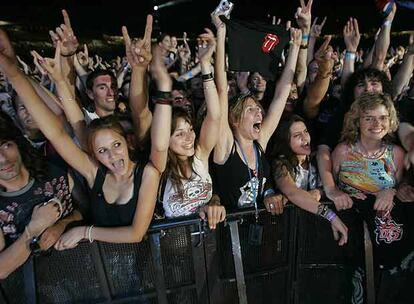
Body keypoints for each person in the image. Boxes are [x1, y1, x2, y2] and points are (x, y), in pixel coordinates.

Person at [0, 16, 169, 249]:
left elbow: (135, 233)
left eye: (116, 145)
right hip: (104, 274)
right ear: (94, 154)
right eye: (102, 151)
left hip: (147, 269)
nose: (112, 156)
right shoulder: (94, 174)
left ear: (127, 142)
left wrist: (84, 232)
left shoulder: (147, 173)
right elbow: (58, 133)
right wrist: (16, 74)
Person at [212, 14, 302, 212]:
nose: (259, 113)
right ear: (235, 120)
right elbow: (220, 90)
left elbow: (281, 95)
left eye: (258, 109)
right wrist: (221, 35)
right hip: (230, 235)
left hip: (261, 230)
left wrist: (295, 47)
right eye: (250, 110)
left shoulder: (259, 142)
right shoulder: (226, 146)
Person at [332, 92, 413, 269]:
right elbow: (331, 189)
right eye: (369, 118)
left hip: (389, 236)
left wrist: (390, 191)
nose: (377, 124)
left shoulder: (397, 154)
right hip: (350, 240)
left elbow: (401, 191)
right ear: (357, 120)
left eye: (383, 117)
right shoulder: (342, 152)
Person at [158, 29, 226, 229]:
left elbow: (215, 115)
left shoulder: (199, 156)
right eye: (179, 133)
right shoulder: (159, 170)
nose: (189, 137)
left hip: (209, 247)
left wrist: (205, 65)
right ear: (164, 139)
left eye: (190, 130)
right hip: (176, 252)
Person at [0, 112, 81, 279]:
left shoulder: (55, 169)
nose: (3, 159)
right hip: (40, 290)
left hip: (93, 271)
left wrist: (62, 224)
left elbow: (89, 211)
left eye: (6, 145)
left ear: (18, 143)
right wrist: (33, 229)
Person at [271, 115, 348, 245]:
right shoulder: (280, 164)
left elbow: (333, 186)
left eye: (305, 132)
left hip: (314, 232)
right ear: (285, 140)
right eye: (297, 135)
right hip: (286, 235)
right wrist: (331, 216)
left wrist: (319, 192)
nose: (304, 137)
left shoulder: (317, 160)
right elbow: (293, 193)